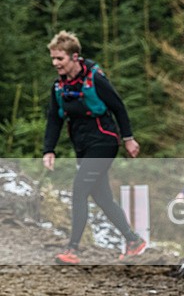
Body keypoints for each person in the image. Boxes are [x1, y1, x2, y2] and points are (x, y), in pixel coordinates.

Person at [43, 30, 146, 265]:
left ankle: (73, 249)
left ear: (74, 57)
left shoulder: (94, 78)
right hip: (83, 145)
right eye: (53, 58)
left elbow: (118, 107)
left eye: (60, 58)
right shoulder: (58, 87)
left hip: (104, 141)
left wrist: (128, 138)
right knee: (102, 198)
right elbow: (54, 119)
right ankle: (133, 240)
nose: (55, 63)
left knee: (79, 189)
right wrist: (49, 149)